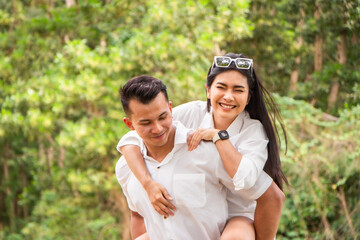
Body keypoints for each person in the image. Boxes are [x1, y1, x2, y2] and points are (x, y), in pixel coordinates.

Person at [118, 53, 287, 239]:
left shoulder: (252, 131)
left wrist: (218, 137)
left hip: (238, 215)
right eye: (221, 87)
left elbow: (246, 180)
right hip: (196, 212)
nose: (228, 97)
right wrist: (148, 184)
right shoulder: (191, 112)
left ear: (248, 97)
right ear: (208, 90)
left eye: (238, 90)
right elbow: (132, 139)